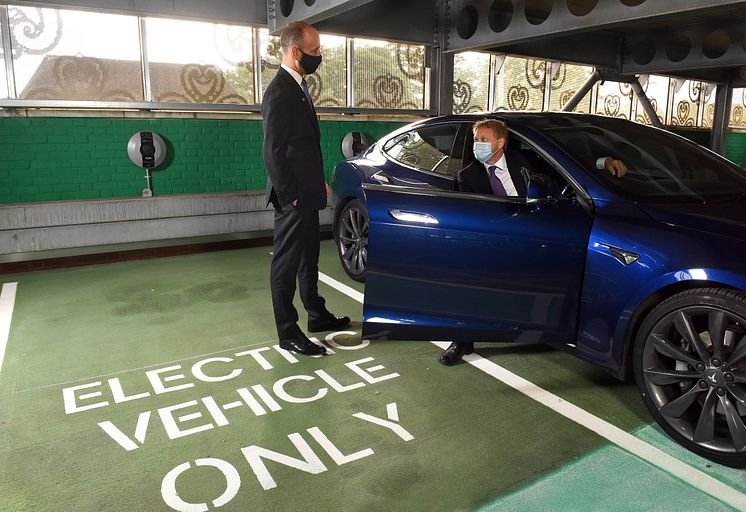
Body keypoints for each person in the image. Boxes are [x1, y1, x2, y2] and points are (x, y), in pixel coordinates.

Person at [440, 118, 626, 366]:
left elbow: (566, 166)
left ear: (501, 142)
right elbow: (470, 215)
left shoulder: (524, 162)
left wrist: (606, 162)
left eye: (483, 140)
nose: (477, 145)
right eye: (476, 140)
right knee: (469, 280)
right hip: (493, 240)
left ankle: (547, 328)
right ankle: (462, 339)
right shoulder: (468, 176)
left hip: (533, 235)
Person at [262, 21, 349, 356]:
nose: (319, 56)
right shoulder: (280, 91)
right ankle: (288, 332)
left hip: (307, 189)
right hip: (293, 195)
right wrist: (292, 194)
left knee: (309, 256)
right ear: (295, 52)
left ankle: (316, 314)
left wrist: (317, 182)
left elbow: (301, 146)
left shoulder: (297, 86)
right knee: (286, 264)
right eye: (315, 51)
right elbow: (273, 150)